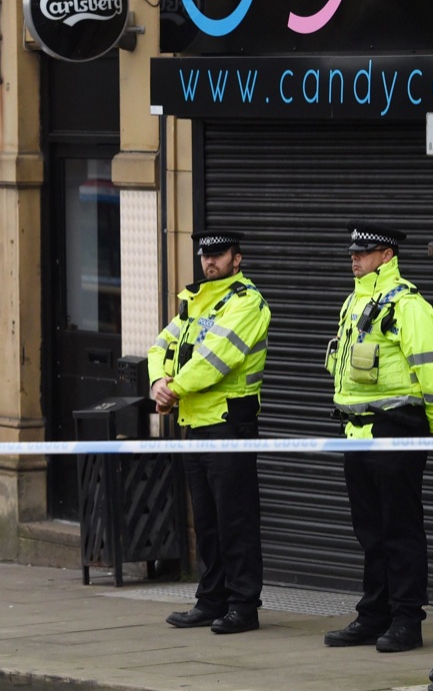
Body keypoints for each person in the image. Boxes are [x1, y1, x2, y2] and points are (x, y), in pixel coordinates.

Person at [322, 220, 433, 653]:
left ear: (387, 255)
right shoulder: (354, 302)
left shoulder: (408, 305)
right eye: (352, 252)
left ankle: (407, 620)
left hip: (395, 430)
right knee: (370, 532)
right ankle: (374, 614)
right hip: (356, 432)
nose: (354, 258)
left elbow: (432, 369)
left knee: (400, 529)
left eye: (364, 252)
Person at [147, 230, 270, 635]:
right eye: (205, 255)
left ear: (237, 258)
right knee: (207, 521)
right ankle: (211, 600)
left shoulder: (246, 302)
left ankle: (243, 606)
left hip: (229, 424)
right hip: (195, 424)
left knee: (236, 520)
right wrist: (157, 383)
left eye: (218, 254)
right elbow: (160, 347)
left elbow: (214, 359)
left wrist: (173, 390)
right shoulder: (195, 302)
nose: (209, 262)